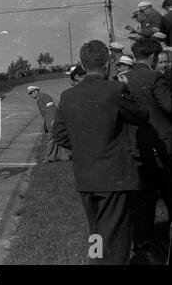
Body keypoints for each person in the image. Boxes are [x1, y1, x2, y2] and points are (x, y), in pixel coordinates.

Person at [52, 40, 149, 264]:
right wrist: (127, 88)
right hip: (114, 178)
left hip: (86, 177)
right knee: (117, 240)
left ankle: (95, 260)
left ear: (83, 65)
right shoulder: (115, 90)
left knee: (97, 231)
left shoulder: (68, 96)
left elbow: (60, 134)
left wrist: (85, 146)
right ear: (107, 64)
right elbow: (140, 115)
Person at [122, 38, 172, 262]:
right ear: (153, 57)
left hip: (136, 150)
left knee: (143, 202)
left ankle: (143, 247)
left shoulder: (122, 80)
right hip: (163, 148)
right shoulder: (154, 77)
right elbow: (168, 106)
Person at [28, 85, 70, 163]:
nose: (30, 95)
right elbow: (45, 114)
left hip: (52, 121)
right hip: (49, 121)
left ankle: (49, 157)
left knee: (51, 139)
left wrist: (52, 121)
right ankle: (64, 157)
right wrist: (46, 125)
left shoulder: (44, 96)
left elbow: (52, 109)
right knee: (57, 138)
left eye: (31, 92)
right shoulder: (38, 99)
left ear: (36, 91)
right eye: (29, 93)